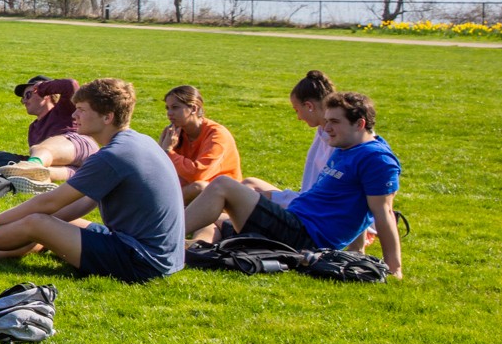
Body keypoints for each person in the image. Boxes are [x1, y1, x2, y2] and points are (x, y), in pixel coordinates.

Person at [0, 78, 186, 284]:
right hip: (159, 256)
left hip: (141, 261)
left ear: (107, 117)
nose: (74, 115)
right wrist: (52, 223)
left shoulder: (115, 155)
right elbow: (80, 206)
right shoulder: (137, 141)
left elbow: (50, 201)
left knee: (37, 222)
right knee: (51, 222)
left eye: (81, 110)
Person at [183, 91, 403, 277]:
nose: (326, 129)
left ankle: (159, 237)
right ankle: (186, 246)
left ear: (360, 124)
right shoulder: (346, 149)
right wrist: (357, 249)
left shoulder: (376, 159)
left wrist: (395, 268)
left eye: (335, 122)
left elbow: (383, 212)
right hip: (294, 222)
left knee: (223, 185)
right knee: (214, 219)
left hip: (304, 237)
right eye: (326, 121)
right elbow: (348, 204)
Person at [242, 70, 336, 205]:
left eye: (297, 110)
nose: (298, 117)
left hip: (312, 210)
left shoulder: (339, 140)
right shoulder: (322, 131)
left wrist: (273, 197)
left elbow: (320, 200)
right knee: (249, 183)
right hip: (307, 201)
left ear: (309, 106)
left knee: (241, 197)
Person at [0, 76, 93, 183]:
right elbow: (45, 157)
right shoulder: (33, 128)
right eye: (23, 98)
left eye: (28, 95)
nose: (24, 101)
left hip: (80, 146)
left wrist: (42, 87)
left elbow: (70, 85)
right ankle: (33, 178)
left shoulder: (64, 108)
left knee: (39, 150)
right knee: (43, 169)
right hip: (81, 168)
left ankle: (32, 165)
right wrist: (12, 158)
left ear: (45, 95)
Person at [159, 85, 242, 202]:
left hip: (224, 194)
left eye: (175, 107)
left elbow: (198, 174)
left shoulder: (216, 135)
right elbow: (160, 170)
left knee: (200, 187)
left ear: (194, 109)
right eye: (167, 108)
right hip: (189, 190)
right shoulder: (174, 133)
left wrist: (168, 152)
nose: (169, 113)